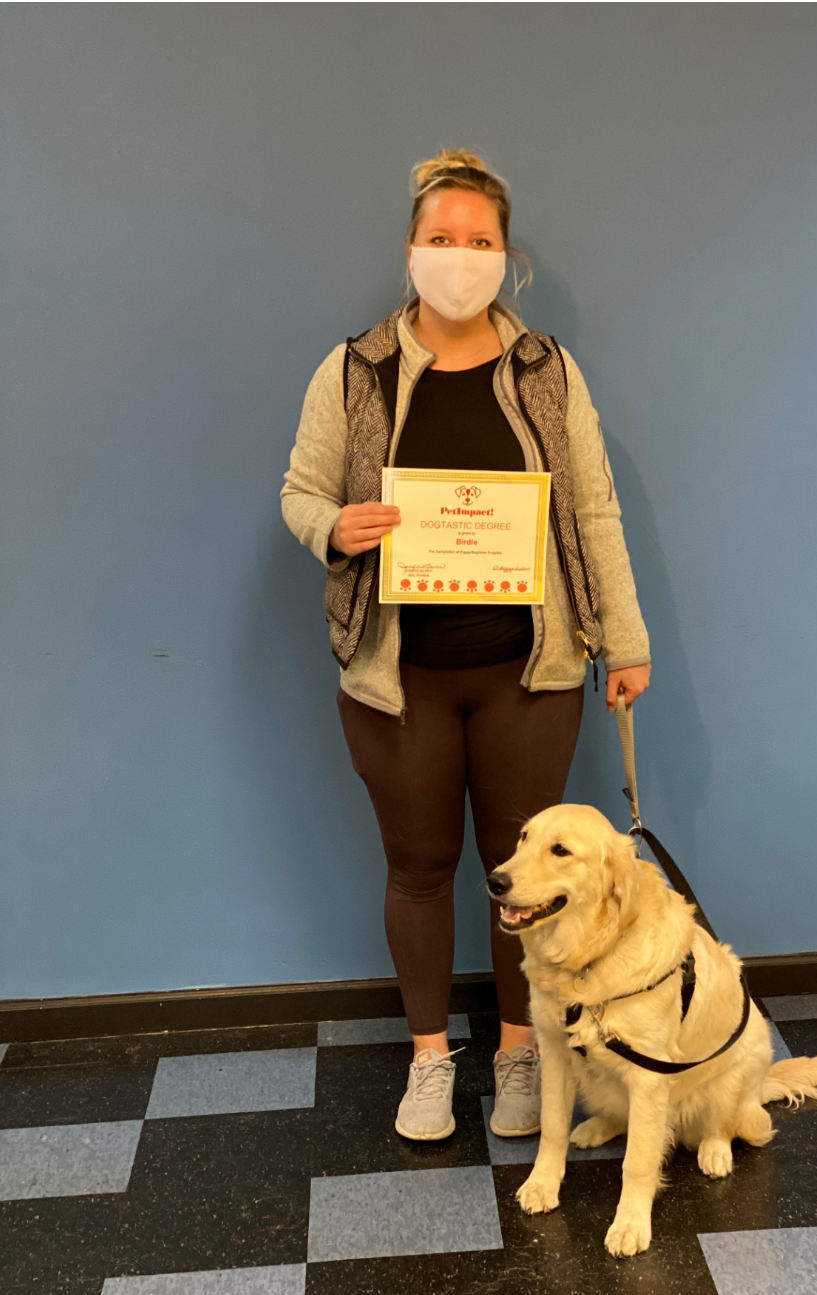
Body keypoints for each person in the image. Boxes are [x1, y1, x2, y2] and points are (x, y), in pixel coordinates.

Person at [280, 148, 650, 1142]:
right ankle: (429, 1060)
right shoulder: (352, 370)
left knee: (519, 869)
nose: (457, 257)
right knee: (417, 867)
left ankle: (521, 1054)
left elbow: (594, 510)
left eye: (476, 241)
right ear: (410, 249)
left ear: (504, 253)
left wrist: (624, 640)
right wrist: (334, 528)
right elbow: (300, 491)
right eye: (439, 239)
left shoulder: (544, 371)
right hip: (395, 678)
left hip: (529, 673)